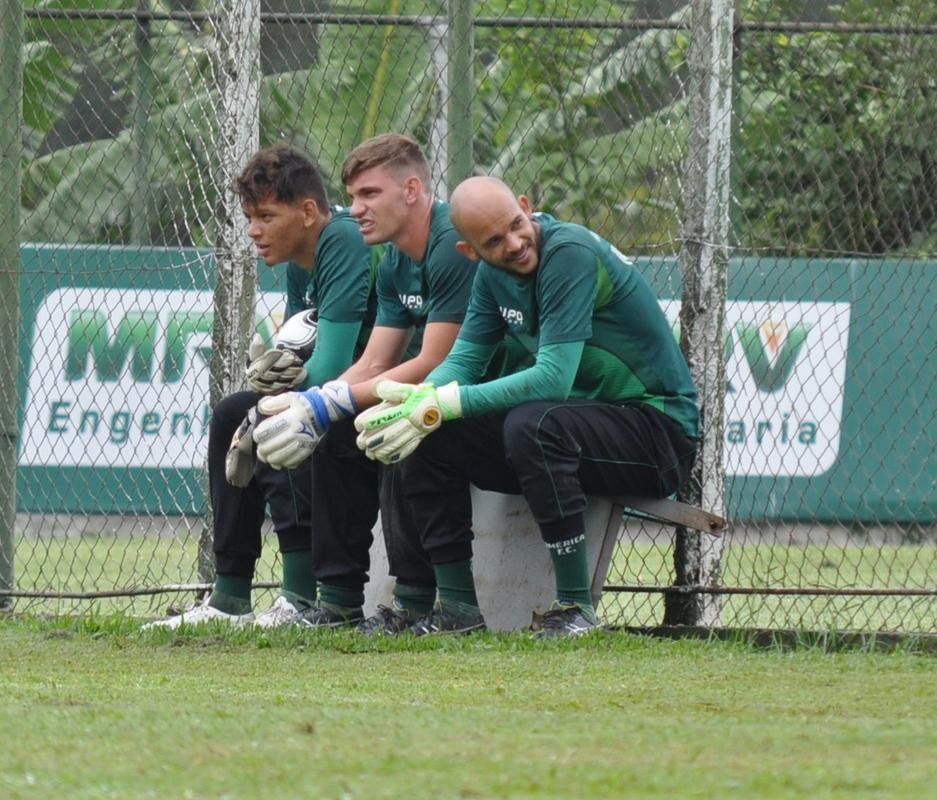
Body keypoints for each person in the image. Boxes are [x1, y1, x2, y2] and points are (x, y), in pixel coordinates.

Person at [354, 176, 700, 637]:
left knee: (533, 423)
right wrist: (418, 403)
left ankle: (576, 610)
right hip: (578, 425)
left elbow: (552, 377)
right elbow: (465, 359)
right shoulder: (490, 276)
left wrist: (442, 403)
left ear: (525, 204)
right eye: (494, 241)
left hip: (657, 432)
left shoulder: (568, 253)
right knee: (429, 435)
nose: (515, 243)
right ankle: (455, 611)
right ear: (470, 252)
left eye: (517, 225)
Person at [251, 133, 482, 631]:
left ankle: (433, 607)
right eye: (353, 196)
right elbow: (377, 362)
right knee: (339, 424)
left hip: (485, 392)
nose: (355, 209)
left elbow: (434, 361)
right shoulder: (397, 258)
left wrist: (328, 400)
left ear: (412, 190)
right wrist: (317, 403)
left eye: (369, 195)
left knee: (400, 424)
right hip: (446, 389)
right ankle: (335, 603)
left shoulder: (450, 244)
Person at [145, 144, 378, 629]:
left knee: (274, 415)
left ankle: (297, 597)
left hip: (376, 394)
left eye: (267, 215)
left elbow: (333, 364)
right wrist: (275, 376)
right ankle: (229, 599)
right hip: (343, 396)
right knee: (234, 411)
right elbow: (302, 356)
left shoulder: (343, 241)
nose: (253, 229)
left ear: (309, 211)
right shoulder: (300, 261)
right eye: (250, 216)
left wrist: (278, 397)